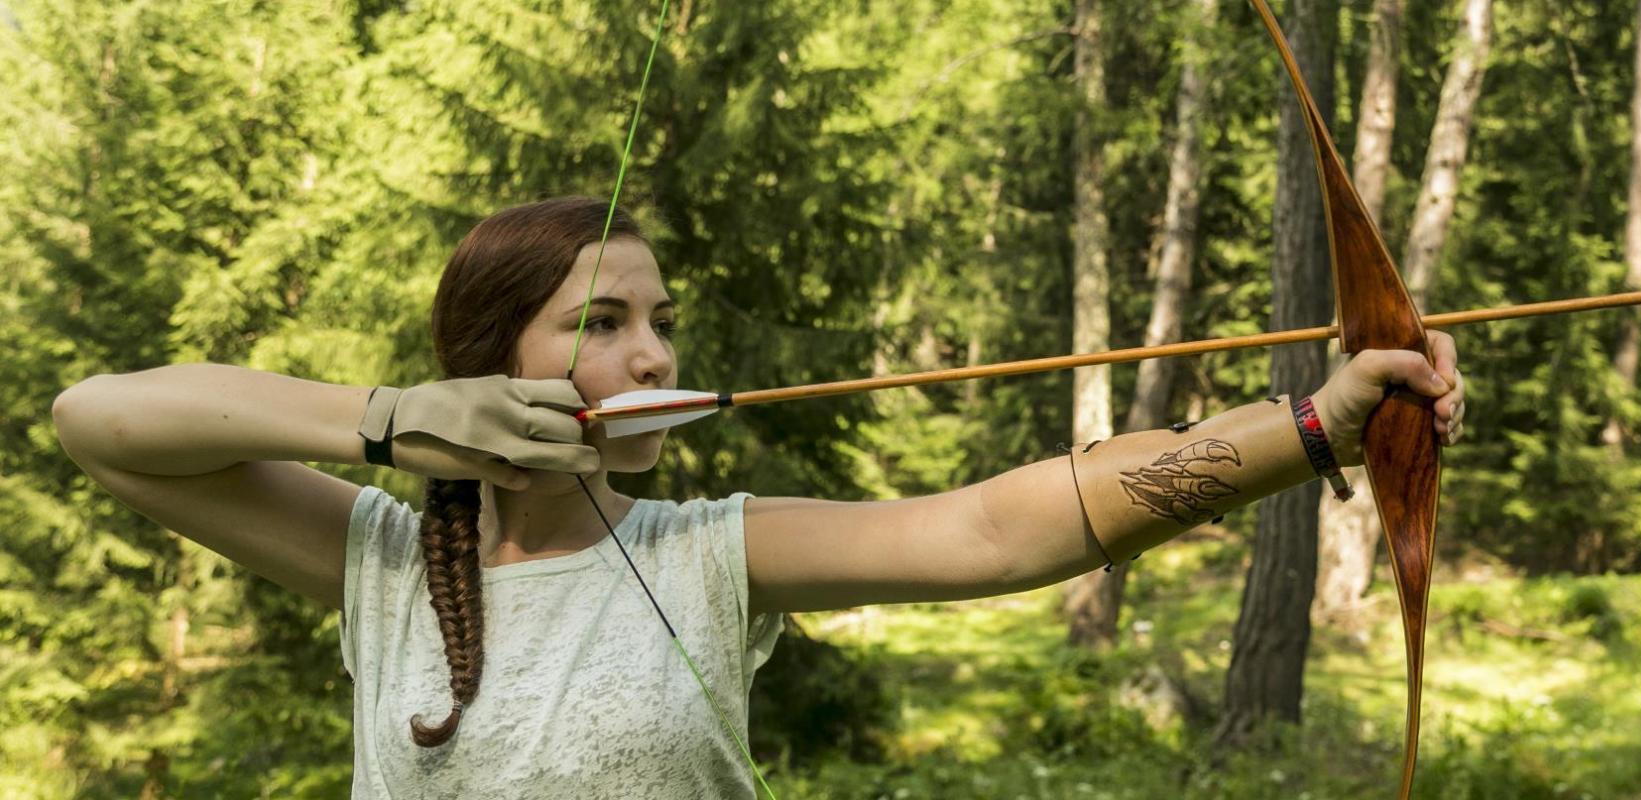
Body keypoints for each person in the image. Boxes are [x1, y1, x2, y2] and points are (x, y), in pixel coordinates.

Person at [51, 196, 1466, 798]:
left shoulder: (705, 554)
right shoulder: (372, 554)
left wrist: (1314, 423)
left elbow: (988, 527)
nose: (655, 353)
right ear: (495, 362)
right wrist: (393, 425)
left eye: (659, 320)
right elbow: (100, 422)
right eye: (601, 323)